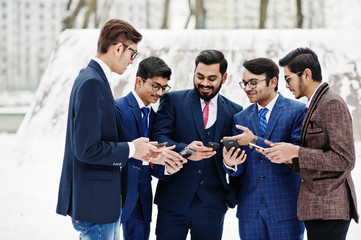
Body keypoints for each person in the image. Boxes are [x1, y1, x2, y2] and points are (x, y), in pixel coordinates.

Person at [56, 19, 162, 240]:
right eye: (132, 54)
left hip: (101, 202)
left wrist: (141, 152)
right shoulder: (92, 83)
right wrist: (132, 149)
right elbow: (87, 149)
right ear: (118, 48)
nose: (132, 62)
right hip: (97, 204)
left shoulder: (95, 79)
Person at [263, 47, 359, 240]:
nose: (287, 86)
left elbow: (345, 159)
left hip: (330, 209)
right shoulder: (315, 103)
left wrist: (297, 151)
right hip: (318, 210)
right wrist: (287, 157)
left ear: (306, 74)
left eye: (288, 78)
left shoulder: (331, 104)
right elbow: (317, 154)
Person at [151, 49, 243, 240]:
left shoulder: (235, 111)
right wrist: (185, 150)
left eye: (212, 78)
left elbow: (238, 159)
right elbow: (159, 137)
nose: (204, 83)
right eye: (200, 76)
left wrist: (229, 197)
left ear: (224, 77)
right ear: (194, 72)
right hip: (173, 202)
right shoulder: (173, 100)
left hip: (212, 206)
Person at [222, 57, 306, 240]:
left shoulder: (297, 111)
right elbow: (239, 169)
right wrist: (230, 164)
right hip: (250, 211)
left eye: (253, 82)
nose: (247, 88)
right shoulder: (240, 118)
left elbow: (297, 155)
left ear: (273, 82)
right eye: (244, 83)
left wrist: (254, 140)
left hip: (285, 209)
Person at [114, 56, 186, 240]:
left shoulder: (155, 116)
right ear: (139, 81)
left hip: (143, 195)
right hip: (117, 193)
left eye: (164, 87)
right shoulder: (118, 108)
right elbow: (111, 149)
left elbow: (152, 159)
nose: (160, 92)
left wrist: (167, 168)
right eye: (155, 86)